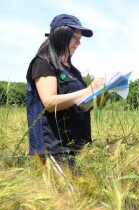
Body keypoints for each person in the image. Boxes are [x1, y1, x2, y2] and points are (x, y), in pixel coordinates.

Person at [26, 14, 106, 172]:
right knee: (66, 195)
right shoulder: (43, 62)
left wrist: (98, 97)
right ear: (60, 35)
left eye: (80, 37)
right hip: (55, 146)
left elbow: (79, 104)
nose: (79, 41)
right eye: (75, 36)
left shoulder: (73, 71)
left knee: (79, 195)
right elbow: (49, 103)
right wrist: (89, 90)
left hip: (77, 144)